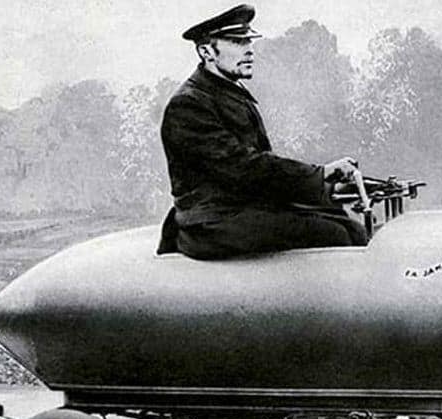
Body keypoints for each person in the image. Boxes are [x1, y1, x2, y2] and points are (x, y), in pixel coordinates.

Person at [156, 4, 367, 258]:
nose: (249, 50)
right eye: (237, 42)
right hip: (211, 224)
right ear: (206, 51)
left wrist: (326, 186)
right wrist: (320, 176)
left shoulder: (228, 93)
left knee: (348, 224)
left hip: (238, 211)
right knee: (335, 234)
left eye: (248, 41)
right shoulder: (188, 104)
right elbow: (244, 168)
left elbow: (257, 169)